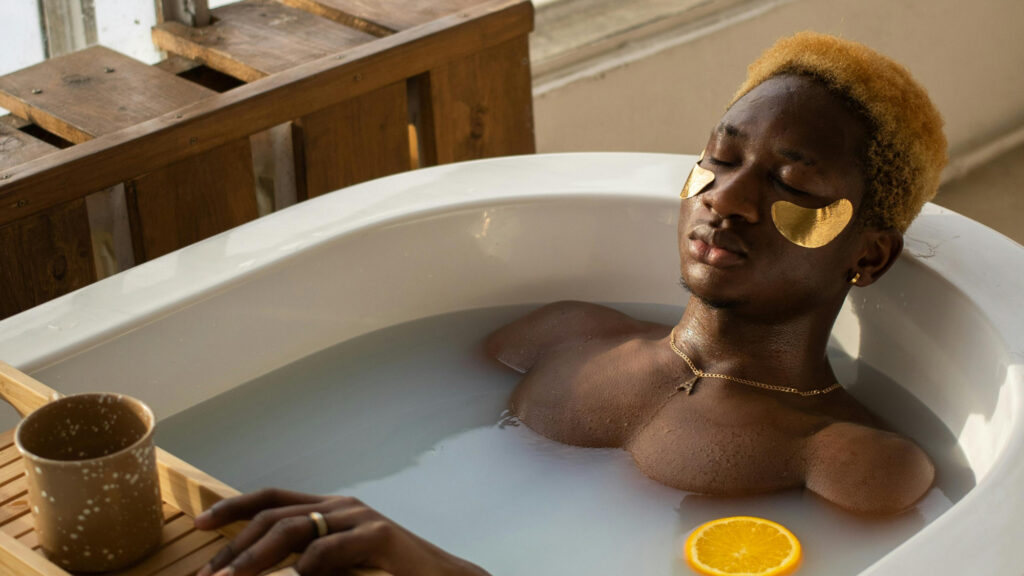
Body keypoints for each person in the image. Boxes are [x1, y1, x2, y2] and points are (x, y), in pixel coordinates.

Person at [193, 31, 948, 576]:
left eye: (792, 183)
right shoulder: (557, 335)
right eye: (720, 158)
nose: (727, 198)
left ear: (868, 256)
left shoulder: (855, 466)